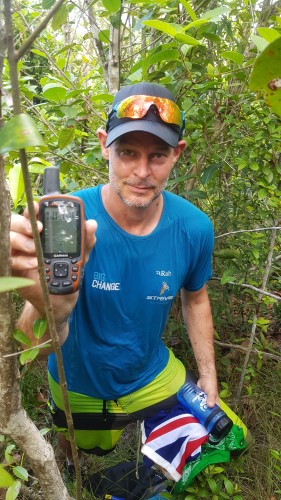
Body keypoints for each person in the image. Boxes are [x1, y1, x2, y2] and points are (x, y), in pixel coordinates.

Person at [10, 82, 219, 465]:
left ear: (178, 154)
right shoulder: (68, 225)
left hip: (151, 373)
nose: (142, 172)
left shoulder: (194, 228)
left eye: (157, 155)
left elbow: (196, 296)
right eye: (126, 152)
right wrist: (49, 305)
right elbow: (29, 350)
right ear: (105, 144)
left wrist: (209, 377)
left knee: (222, 437)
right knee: (86, 458)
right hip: (76, 383)